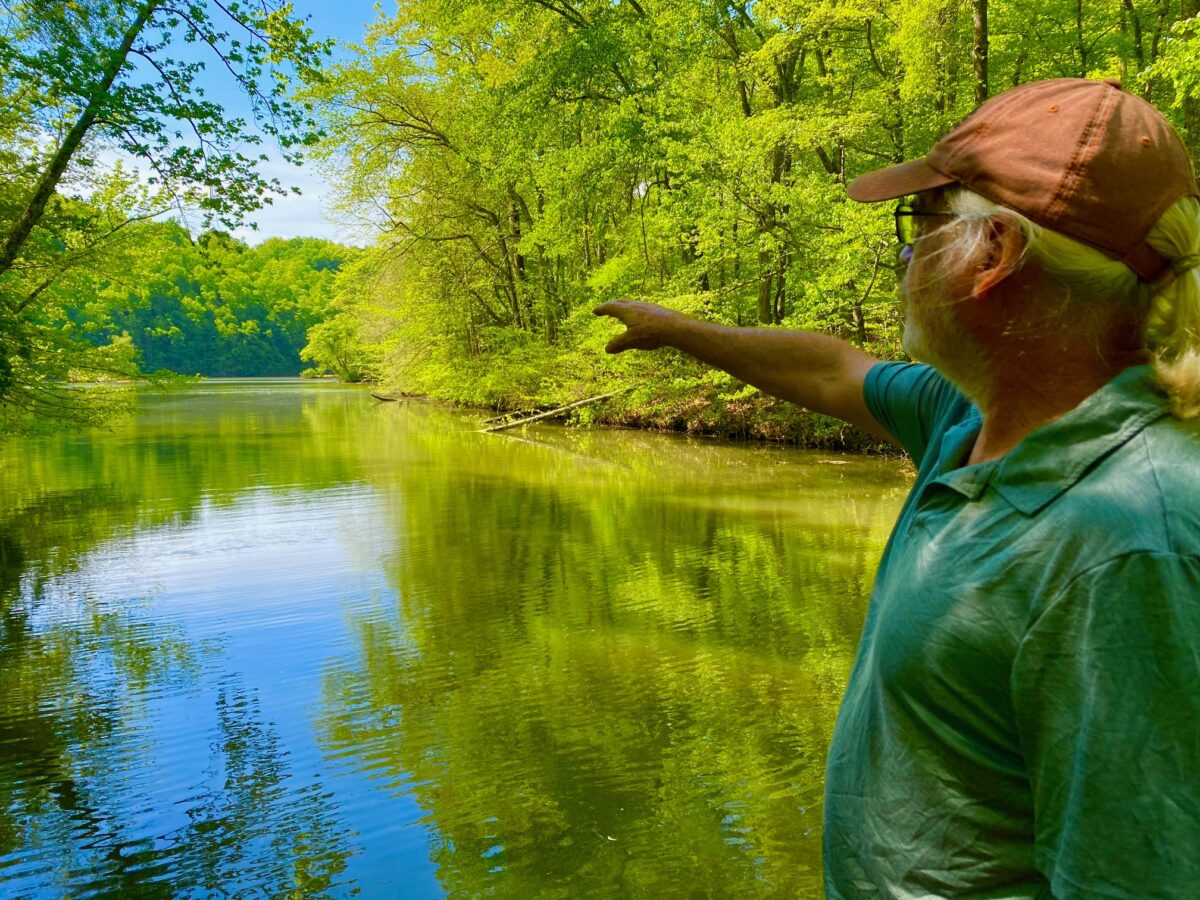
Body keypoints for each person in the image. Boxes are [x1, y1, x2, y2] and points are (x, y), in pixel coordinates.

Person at [594, 77, 1200, 898]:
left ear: (993, 254)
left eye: (917, 227)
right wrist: (677, 332)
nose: (907, 256)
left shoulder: (1127, 541)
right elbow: (835, 371)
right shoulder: (970, 417)